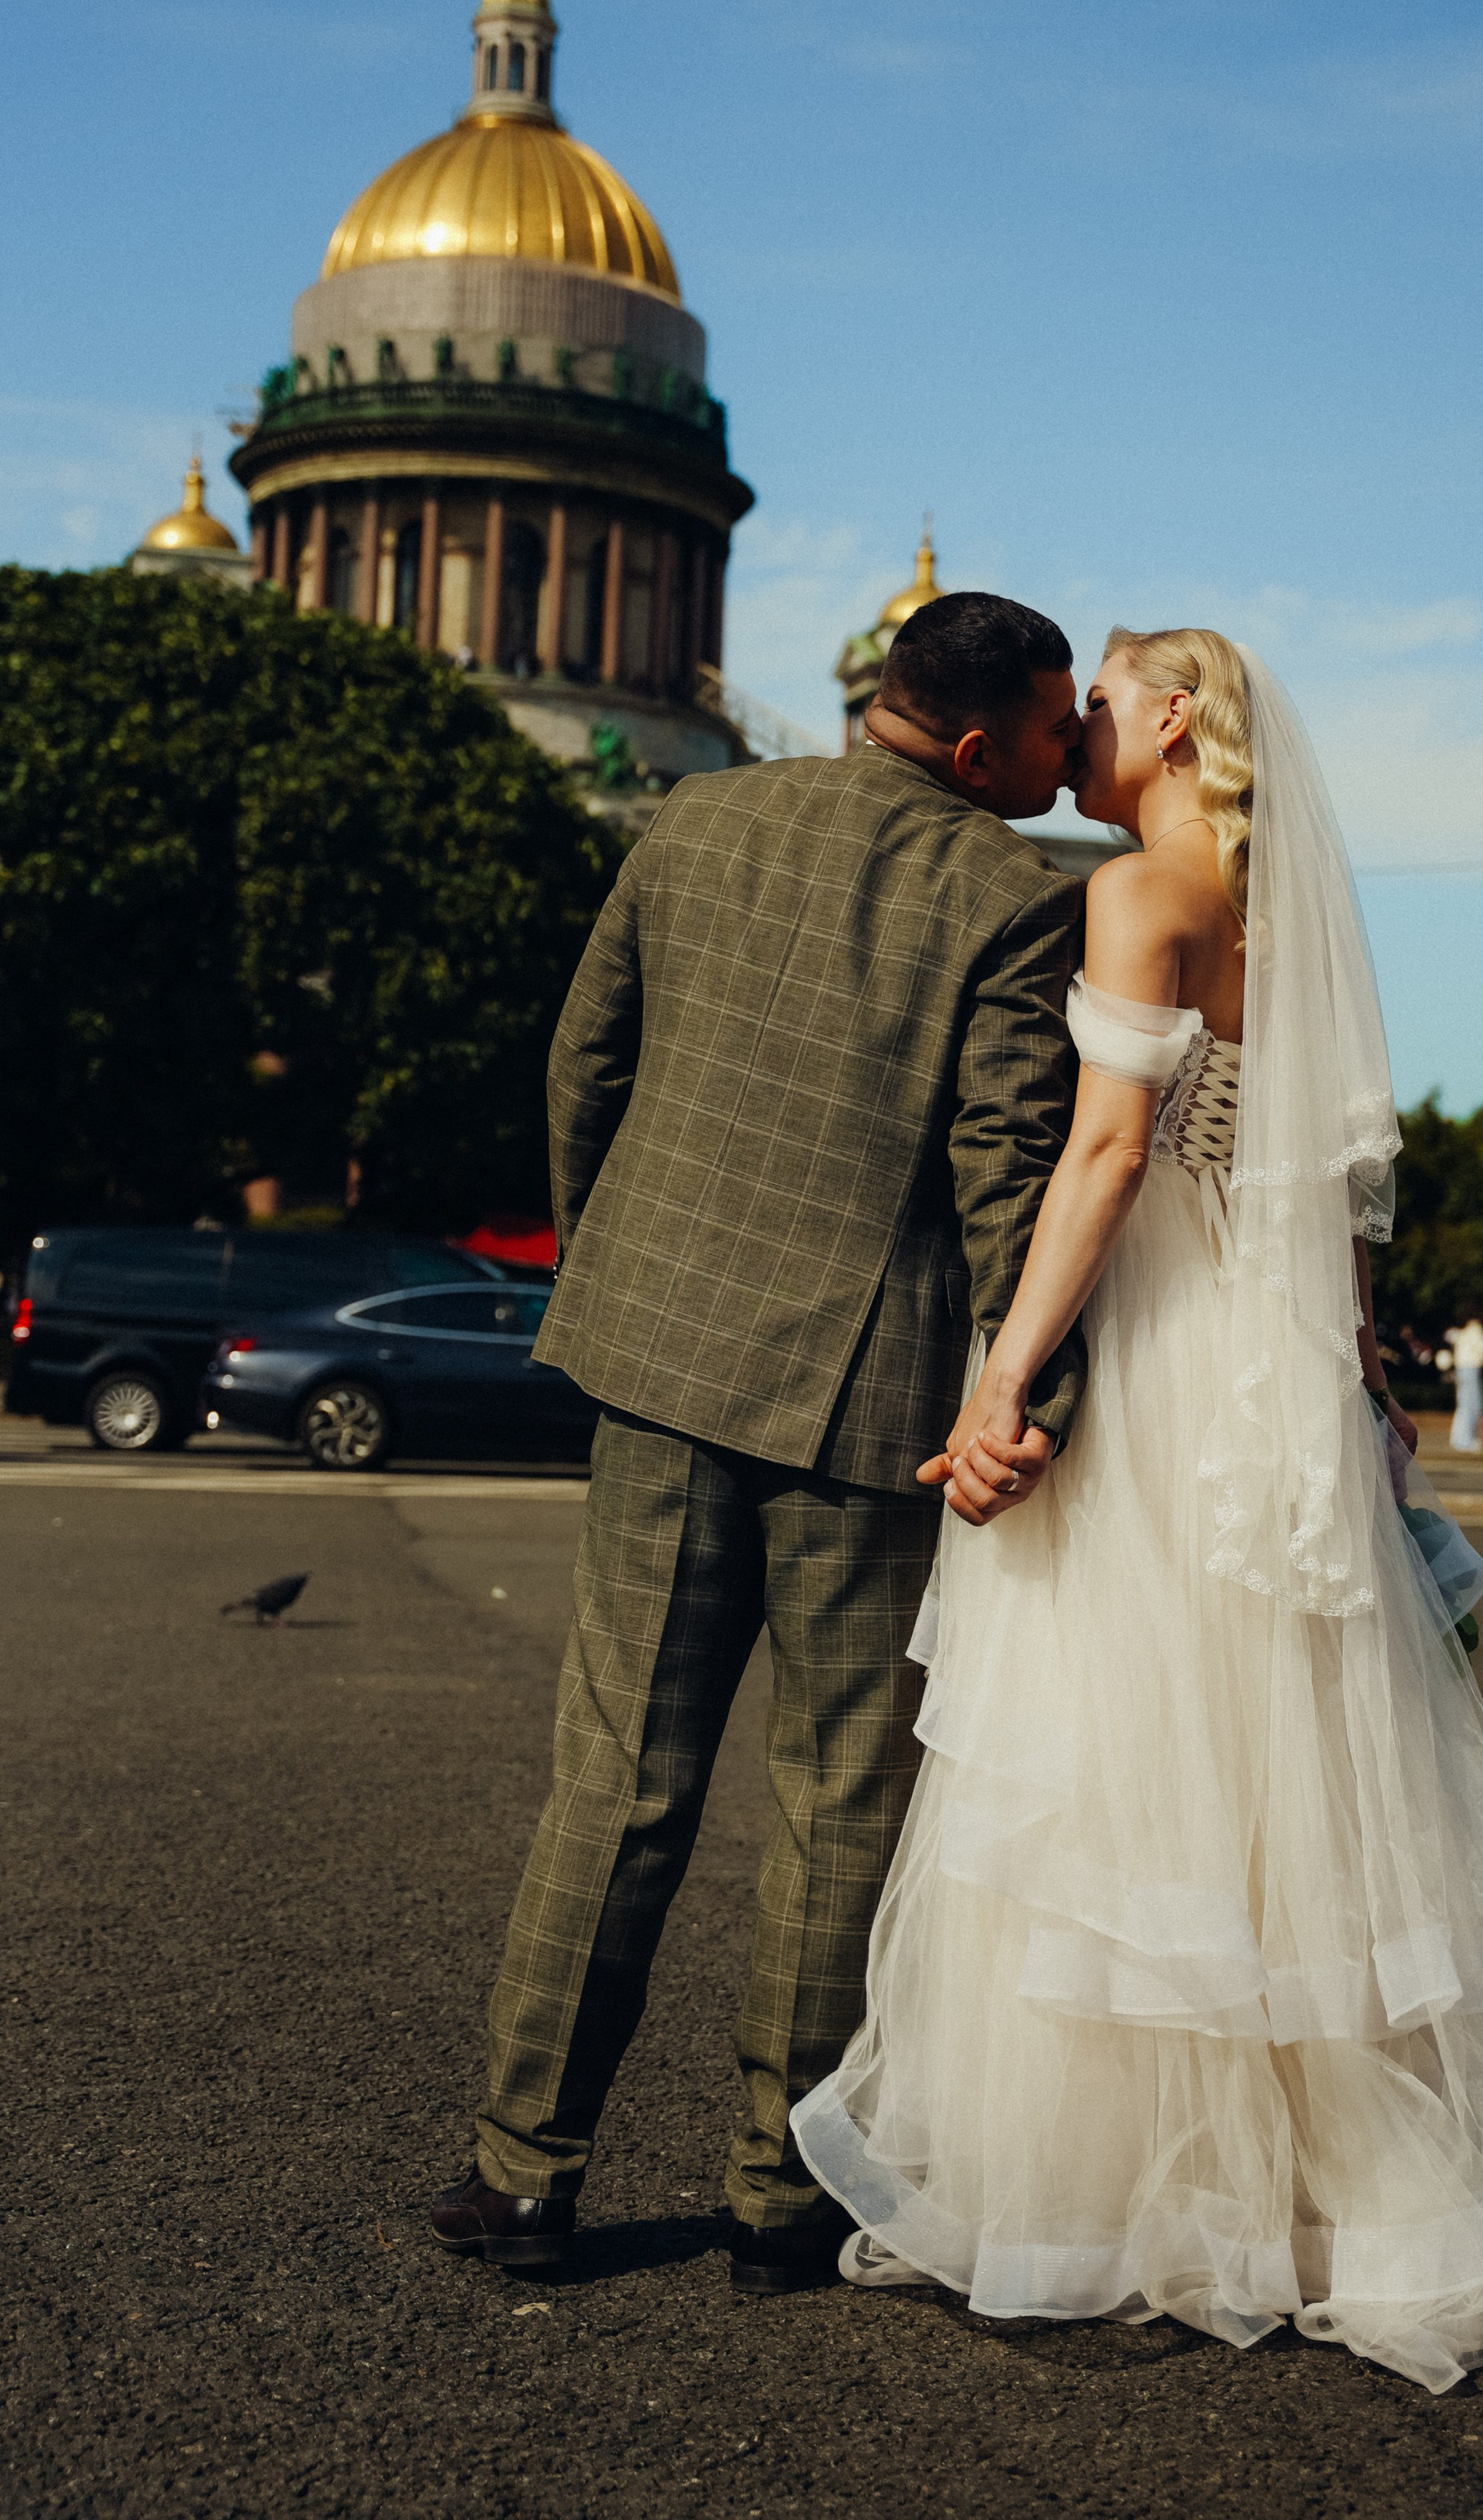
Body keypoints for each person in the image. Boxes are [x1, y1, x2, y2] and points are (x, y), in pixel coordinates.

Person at [792, 627, 1483, 2392]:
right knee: (1288, 1760)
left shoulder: (1138, 889)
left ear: (1170, 726)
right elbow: (1327, 1188)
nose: (1081, 725)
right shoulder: (1287, 916)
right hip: (1266, 1356)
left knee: (1128, 1751)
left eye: (1109, 697)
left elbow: (1104, 1153)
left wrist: (1006, 1371)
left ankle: (1146, 2187)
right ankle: (1341, 2181)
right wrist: (1352, 1367)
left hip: (1153, 1355)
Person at [431, 593, 1089, 2291]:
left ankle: (521, 2175)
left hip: (655, 1369)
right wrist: (1021, 1392)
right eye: (1044, 728)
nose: (1062, 752)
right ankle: (777, 2199)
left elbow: (588, 1058)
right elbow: (998, 1166)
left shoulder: (697, 812)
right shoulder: (1016, 900)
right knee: (835, 1807)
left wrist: (619, 1269)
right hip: (866, 1413)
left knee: (616, 1782)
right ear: (968, 746)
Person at [1443, 1304, 1483, 1452]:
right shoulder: (1475, 1328)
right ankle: (1465, 1440)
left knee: (1465, 1404)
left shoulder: (1461, 1331)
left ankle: (1461, 1439)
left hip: (1463, 1369)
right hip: (1470, 1369)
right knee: (1472, 1405)